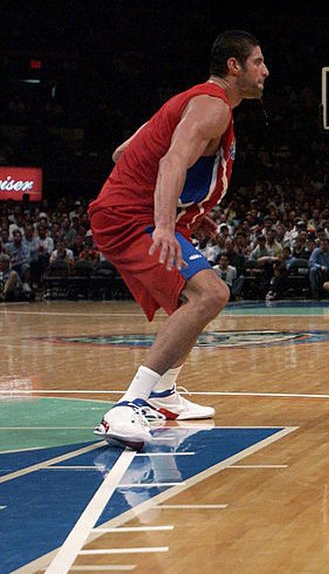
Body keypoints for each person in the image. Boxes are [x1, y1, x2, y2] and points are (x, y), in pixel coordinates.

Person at [87, 30, 268, 449]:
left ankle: (165, 394)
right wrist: (165, 225)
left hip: (136, 213)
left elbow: (122, 153)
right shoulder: (212, 107)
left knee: (196, 300)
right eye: (258, 62)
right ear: (233, 66)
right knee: (210, 294)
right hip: (130, 219)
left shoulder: (192, 101)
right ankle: (129, 406)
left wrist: (185, 212)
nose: (265, 70)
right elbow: (171, 159)